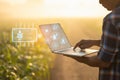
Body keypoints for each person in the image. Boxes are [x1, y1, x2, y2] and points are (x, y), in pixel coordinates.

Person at [64, 0, 120, 80]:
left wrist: (80, 58)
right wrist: (94, 42)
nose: (100, 2)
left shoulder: (112, 19)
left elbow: (103, 62)